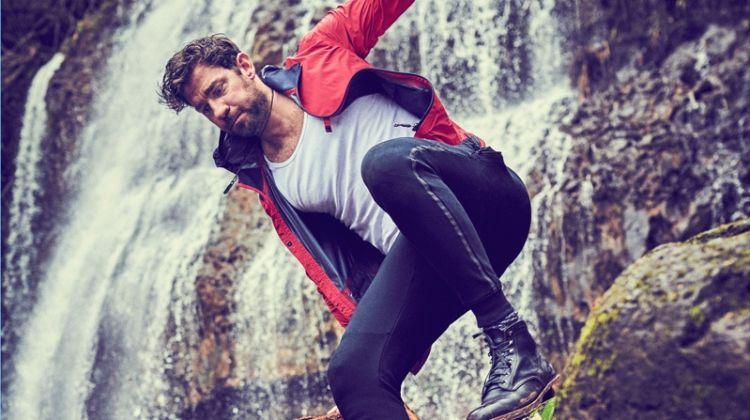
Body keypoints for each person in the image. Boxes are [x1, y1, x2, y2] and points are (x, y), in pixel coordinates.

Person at [159, 0, 558, 418]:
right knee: (354, 374)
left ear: (244, 66)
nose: (218, 110)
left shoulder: (321, 51)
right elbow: (338, 274)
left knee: (383, 164)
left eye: (218, 90)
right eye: (205, 109)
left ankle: (514, 346)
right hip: (437, 261)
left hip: (487, 201)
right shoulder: (267, 178)